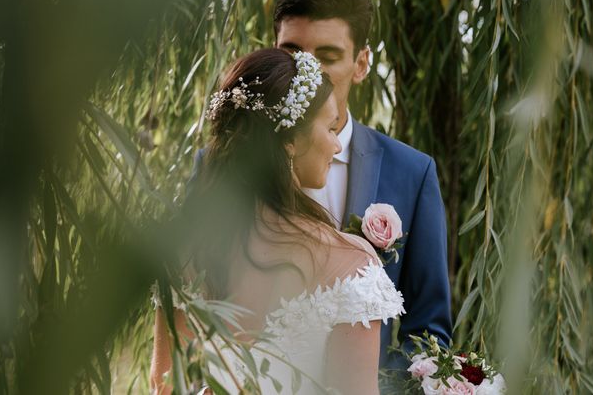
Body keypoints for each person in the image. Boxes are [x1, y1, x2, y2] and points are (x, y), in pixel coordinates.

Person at [151, 48, 404, 394]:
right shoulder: (352, 266)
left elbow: (163, 384)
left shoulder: (185, 254)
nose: (335, 146)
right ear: (287, 141)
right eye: (331, 128)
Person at [272, 0, 452, 370]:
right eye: (293, 52)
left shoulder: (412, 172)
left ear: (361, 64)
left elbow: (427, 332)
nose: (307, 71)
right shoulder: (219, 168)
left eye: (327, 55)